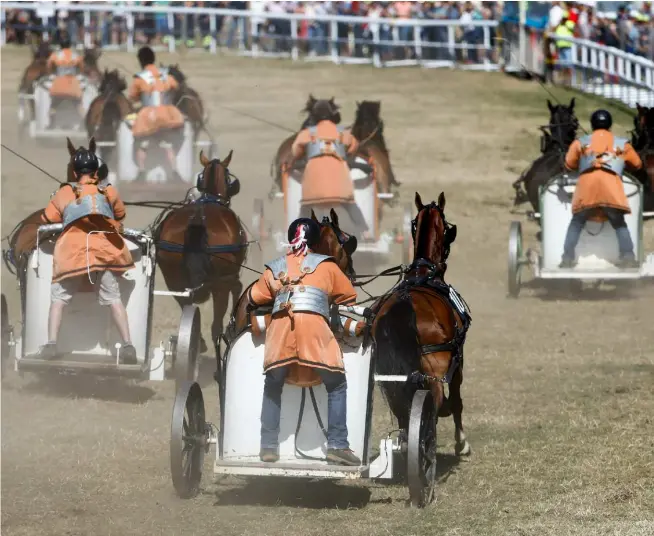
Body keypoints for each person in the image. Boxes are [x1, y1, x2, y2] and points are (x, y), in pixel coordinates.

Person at [248, 218, 361, 466]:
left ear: (291, 239)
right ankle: (338, 445)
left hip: (280, 333)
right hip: (314, 333)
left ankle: (268, 446)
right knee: (336, 383)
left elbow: (255, 297)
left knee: (273, 384)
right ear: (315, 242)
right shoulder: (328, 267)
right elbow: (348, 298)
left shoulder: (275, 267)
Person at [38, 149, 137, 363]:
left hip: (72, 254)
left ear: (74, 173)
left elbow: (47, 218)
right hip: (103, 253)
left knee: (58, 299)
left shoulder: (64, 192)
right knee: (114, 300)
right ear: (96, 172)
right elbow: (120, 215)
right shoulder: (108, 191)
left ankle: (51, 344)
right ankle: (128, 345)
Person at [560, 109, 643, 269]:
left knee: (576, 222)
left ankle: (567, 259)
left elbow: (569, 165)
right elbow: (637, 164)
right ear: (610, 125)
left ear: (592, 124)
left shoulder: (580, 143)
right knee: (619, 223)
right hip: (611, 189)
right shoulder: (622, 144)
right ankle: (628, 257)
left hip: (587, 189)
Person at [290, 99, 367, 236]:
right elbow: (354, 145)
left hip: (314, 188)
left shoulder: (308, 133)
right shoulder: (343, 132)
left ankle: (299, 232)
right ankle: (364, 230)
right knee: (350, 204)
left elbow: (295, 150)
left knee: (306, 207)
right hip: (340, 187)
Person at [127, 46, 185, 180]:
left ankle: (141, 172)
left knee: (142, 143)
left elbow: (133, 97)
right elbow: (176, 88)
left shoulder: (139, 78)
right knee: (168, 143)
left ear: (140, 61)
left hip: (148, 116)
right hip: (167, 114)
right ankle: (174, 171)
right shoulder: (166, 75)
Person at [46, 33, 84, 102]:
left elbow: (48, 64)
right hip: (73, 84)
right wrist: (80, 73)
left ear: (60, 45)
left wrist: (50, 73)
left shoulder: (56, 54)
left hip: (58, 82)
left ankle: (52, 109)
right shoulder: (75, 54)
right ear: (69, 45)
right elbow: (81, 66)